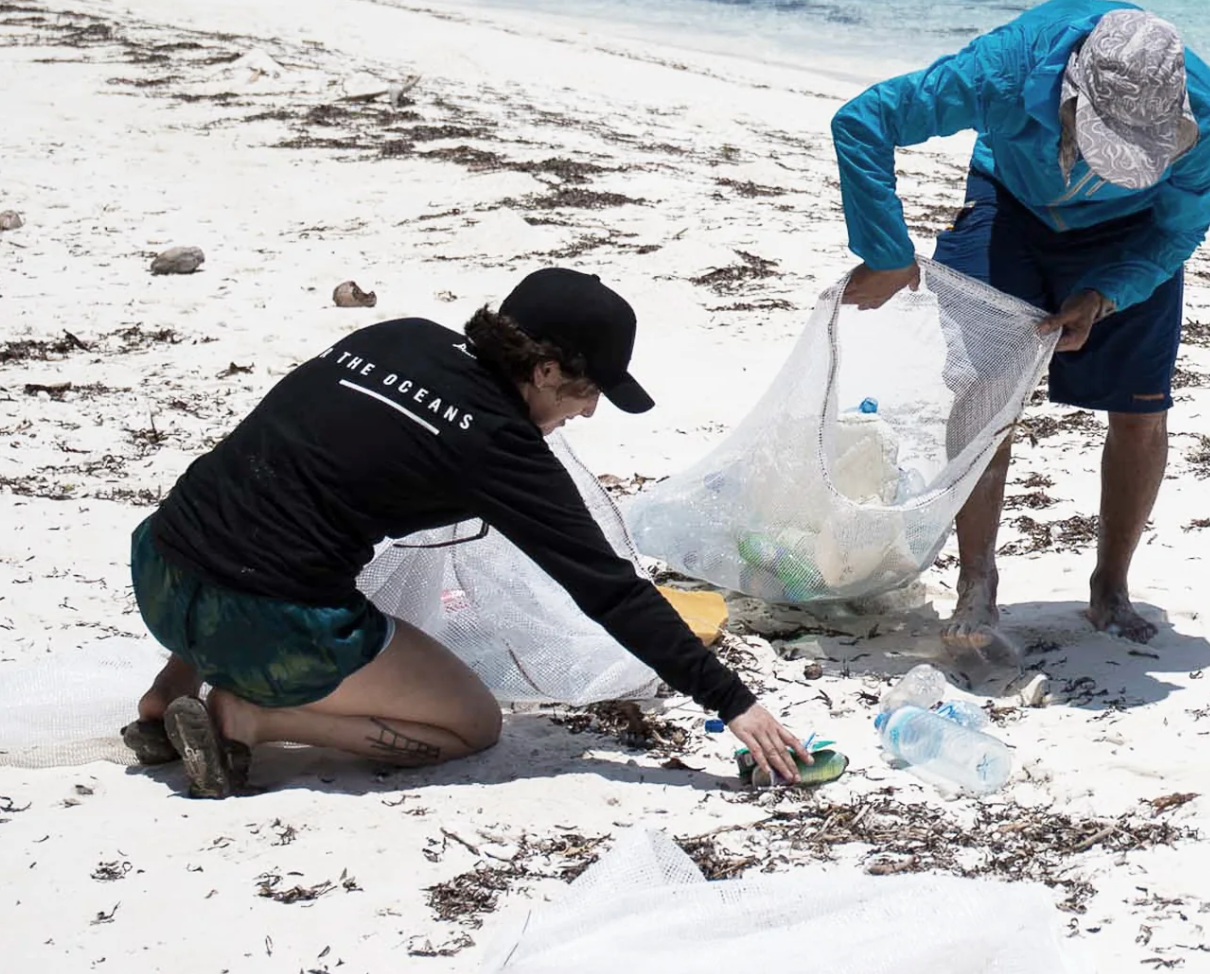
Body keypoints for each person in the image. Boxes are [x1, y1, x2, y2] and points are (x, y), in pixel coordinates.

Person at [123, 267, 808, 797]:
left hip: (160, 562)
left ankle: (167, 696)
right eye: (587, 390)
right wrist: (734, 703)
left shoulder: (399, 336)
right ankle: (247, 718)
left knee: (268, 516)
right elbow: (611, 592)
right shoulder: (499, 446)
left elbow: (278, 470)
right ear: (543, 371)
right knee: (472, 724)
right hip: (263, 625)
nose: (591, 410)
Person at [831, 0, 1210, 656]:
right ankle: (977, 580)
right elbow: (865, 120)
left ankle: (1111, 583)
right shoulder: (1003, 72)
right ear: (1070, 93)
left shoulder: (1207, 125)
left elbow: (1178, 230)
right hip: (1009, 201)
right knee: (984, 395)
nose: (1112, 165)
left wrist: (1107, 295)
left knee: (1141, 412)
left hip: (1132, 236)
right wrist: (887, 253)